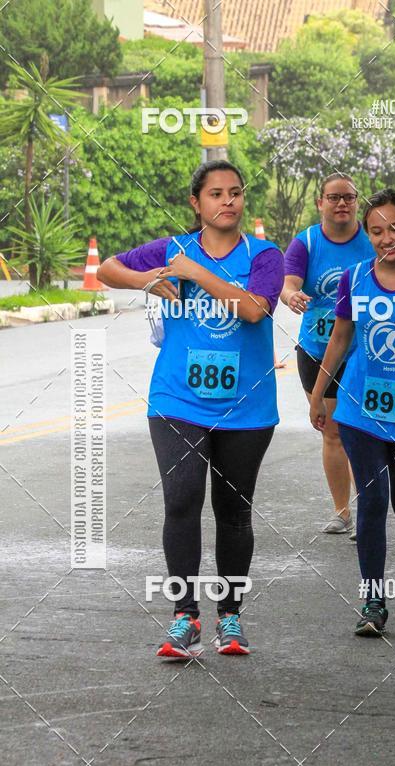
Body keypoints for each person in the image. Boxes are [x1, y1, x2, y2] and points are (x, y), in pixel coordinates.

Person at [97, 160, 284, 658]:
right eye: (217, 193)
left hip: (247, 406)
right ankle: (184, 618)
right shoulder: (171, 250)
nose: (228, 201)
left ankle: (230, 618)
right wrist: (146, 280)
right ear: (195, 203)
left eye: (236, 193)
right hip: (177, 398)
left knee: (232, 511)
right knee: (181, 502)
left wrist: (194, 272)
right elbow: (105, 268)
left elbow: (254, 309)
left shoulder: (265, 256)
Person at [309, 188, 395, 636]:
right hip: (359, 409)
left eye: (394, 228)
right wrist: (319, 394)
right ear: (367, 235)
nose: (386, 238)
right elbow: (339, 339)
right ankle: (372, 599)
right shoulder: (355, 278)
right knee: (372, 500)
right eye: (376, 231)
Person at [282, 174, 373, 537]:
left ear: (356, 202)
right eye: (333, 198)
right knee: (332, 431)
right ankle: (342, 511)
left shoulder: (371, 241)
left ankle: (368, 509)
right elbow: (288, 284)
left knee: (360, 431)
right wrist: (291, 296)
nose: (341, 204)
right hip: (317, 351)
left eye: (348, 198)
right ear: (320, 202)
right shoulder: (305, 243)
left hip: (362, 350)